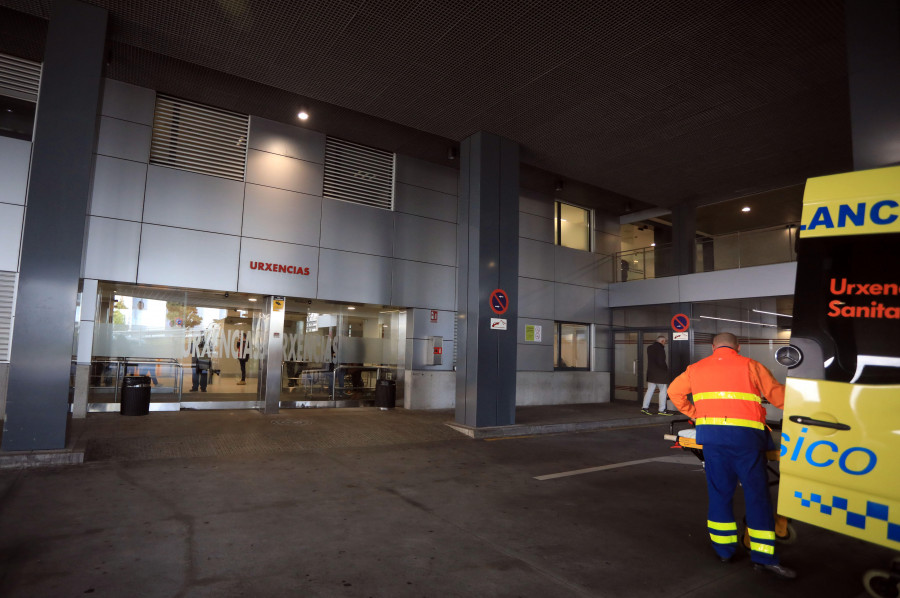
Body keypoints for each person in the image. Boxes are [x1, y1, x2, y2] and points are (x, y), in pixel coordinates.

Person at [667, 332, 795, 580]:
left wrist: (696, 415)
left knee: (719, 494)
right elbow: (779, 397)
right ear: (737, 346)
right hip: (746, 441)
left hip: (713, 440)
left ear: (713, 346)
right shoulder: (751, 365)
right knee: (757, 496)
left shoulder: (695, 369)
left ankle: (724, 551)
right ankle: (763, 558)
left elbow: (674, 392)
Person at [641, 335, 671, 415]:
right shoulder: (660, 349)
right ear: (662, 341)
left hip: (651, 374)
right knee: (663, 391)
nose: (665, 343)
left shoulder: (649, 348)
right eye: (665, 341)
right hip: (660, 375)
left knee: (650, 391)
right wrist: (666, 371)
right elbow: (661, 362)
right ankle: (662, 410)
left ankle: (644, 408)